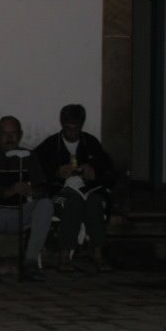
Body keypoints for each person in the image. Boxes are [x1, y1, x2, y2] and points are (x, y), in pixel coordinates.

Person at [35, 104, 117, 273]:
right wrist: (56, 173)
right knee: (72, 202)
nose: (72, 133)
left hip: (89, 190)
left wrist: (94, 174)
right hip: (60, 191)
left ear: (81, 126)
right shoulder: (51, 145)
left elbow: (110, 173)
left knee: (95, 202)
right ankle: (65, 255)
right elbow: (35, 172)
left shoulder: (90, 143)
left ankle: (98, 253)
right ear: (61, 124)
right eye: (68, 129)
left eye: (76, 129)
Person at [0, 116, 54, 282]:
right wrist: (4, 192)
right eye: (4, 134)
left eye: (13, 134)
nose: (9, 138)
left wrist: (31, 190)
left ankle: (30, 262)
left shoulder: (29, 156)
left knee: (46, 204)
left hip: (21, 214)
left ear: (20, 134)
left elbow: (45, 187)